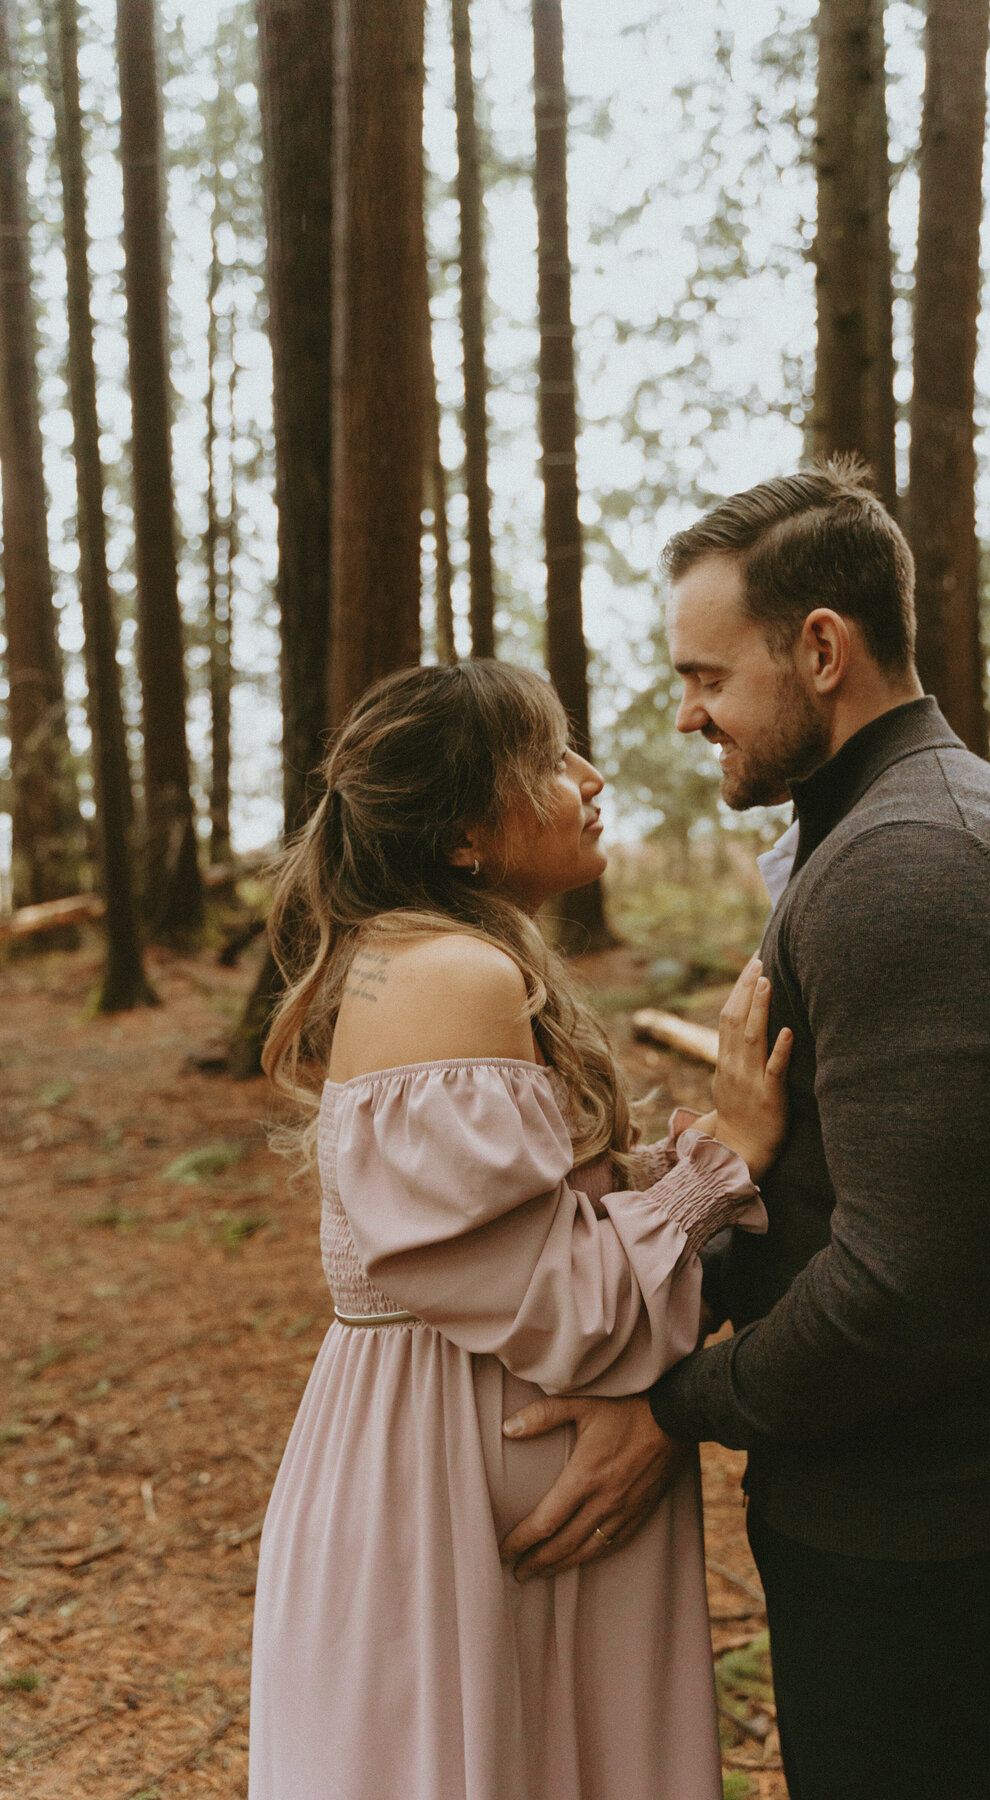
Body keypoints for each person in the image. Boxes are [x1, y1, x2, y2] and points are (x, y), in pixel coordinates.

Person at [499, 461, 990, 1800]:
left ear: (820, 648)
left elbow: (911, 1293)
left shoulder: (912, 867)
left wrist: (675, 1408)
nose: (685, 713)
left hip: (924, 1541)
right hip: (916, 1513)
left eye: (710, 676)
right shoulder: (904, 828)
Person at [247, 658, 792, 1800]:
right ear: (462, 839)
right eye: (546, 761)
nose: (589, 778)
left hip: (479, 1483)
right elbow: (561, 1301)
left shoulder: (452, 958)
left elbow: (523, 1231)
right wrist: (717, 1164)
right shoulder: (453, 974)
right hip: (446, 1491)